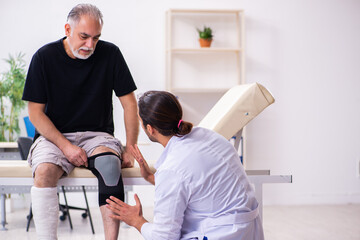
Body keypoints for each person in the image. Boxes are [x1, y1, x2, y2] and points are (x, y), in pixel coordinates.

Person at [22, 4, 139, 240]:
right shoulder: (44, 58)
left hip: (97, 134)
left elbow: (130, 104)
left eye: (96, 38)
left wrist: (131, 148)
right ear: (68, 29)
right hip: (53, 136)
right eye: (84, 37)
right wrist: (66, 146)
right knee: (43, 172)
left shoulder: (111, 54)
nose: (90, 45)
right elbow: (35, 114)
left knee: (109, 165)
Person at [106, 91, 264, 240]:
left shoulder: (172, 168)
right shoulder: (209, 136)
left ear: (150, 129)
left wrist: (136, 221)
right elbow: (200, 184)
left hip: (222, 234)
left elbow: (165, 237)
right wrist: (153, 178)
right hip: (249, 229)